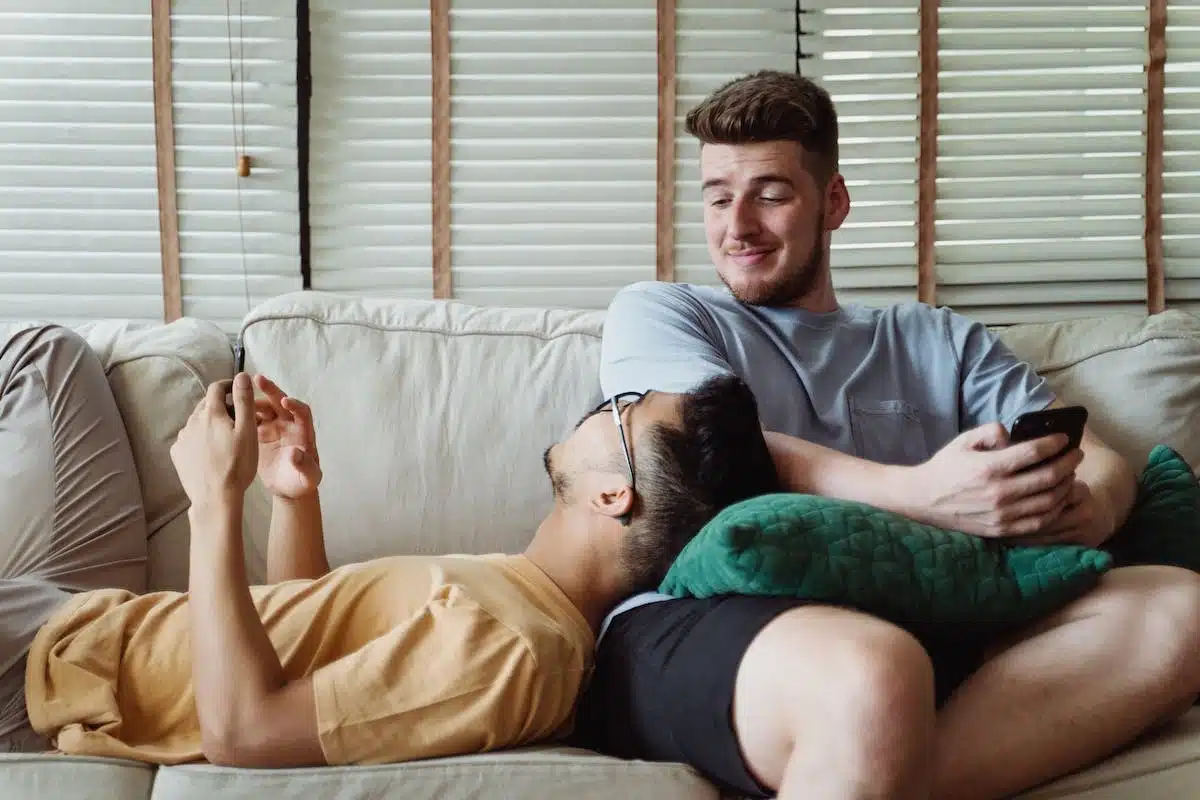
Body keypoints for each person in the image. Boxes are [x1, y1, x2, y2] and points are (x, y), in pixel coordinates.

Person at [572, 69, 1200, 800]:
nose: (736, 226)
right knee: (873, 672)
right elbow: (692, 446)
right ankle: (875, 744)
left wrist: (1092, 506)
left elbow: (1098, 459)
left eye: (770, 194)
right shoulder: (664, 312)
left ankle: (878, 766)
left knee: (1178, 607)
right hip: (698, 622)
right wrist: (919, 494)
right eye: (718, 197)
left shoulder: (939, 340)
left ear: (833, 202)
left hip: (924, 629)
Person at [0, 324, 780, 766]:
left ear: (614, 493)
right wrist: (293, 496)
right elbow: (306, 640)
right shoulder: (520, 595)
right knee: (46, 353)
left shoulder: (514, 650)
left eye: (625, 412)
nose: (605, 406)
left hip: (48, 668)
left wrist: (214, 503)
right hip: (90, 614)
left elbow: (247, 731)